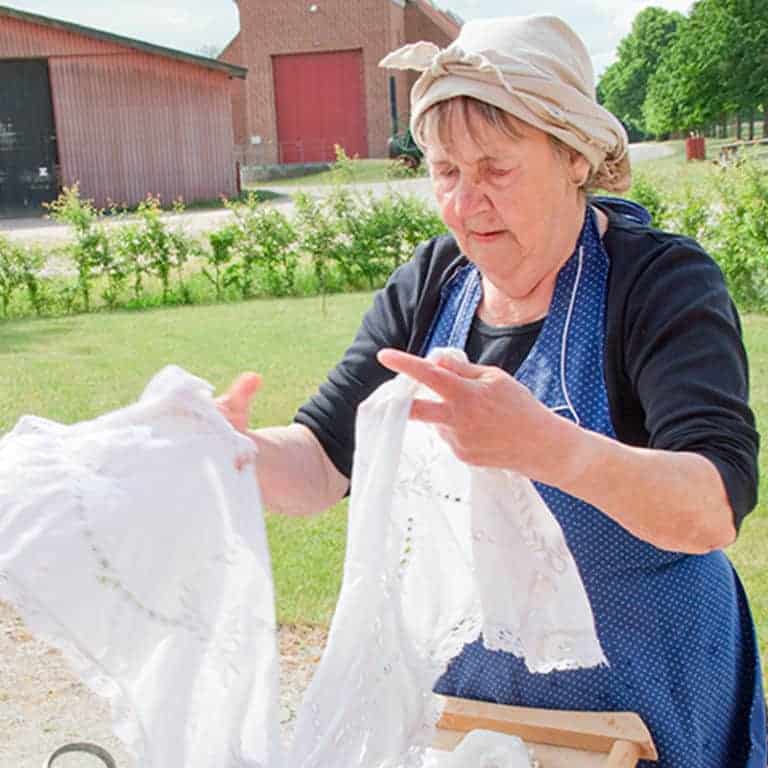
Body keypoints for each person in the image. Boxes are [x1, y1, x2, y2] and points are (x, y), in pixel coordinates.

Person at [217, 15, 765, 767]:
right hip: (473, 716)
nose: (465, 204)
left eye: (495, 170)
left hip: (644, 712)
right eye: (445, 171)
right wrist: (234, 452)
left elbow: (711, 507)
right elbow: (320, 460)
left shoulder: (659, 284)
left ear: (575, 156)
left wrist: (547, 447)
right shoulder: (431, 285)